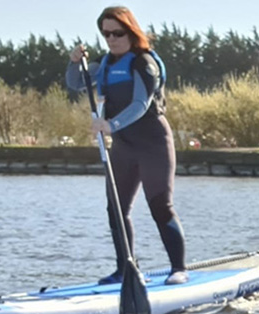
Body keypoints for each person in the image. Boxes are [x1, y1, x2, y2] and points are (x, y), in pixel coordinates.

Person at [66, 6, 188, 285]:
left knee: (160, 206)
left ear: (130, 31)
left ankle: (179, 268)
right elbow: (75, 84)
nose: (111, 39)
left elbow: (140, 105)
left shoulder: (144, 63)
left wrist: (111, 125)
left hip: (153, 143)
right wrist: (74, 62)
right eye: (106, 33)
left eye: (117, 33)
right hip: (123, 146)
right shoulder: (106, 63)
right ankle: (126, 269)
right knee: (116, 210)